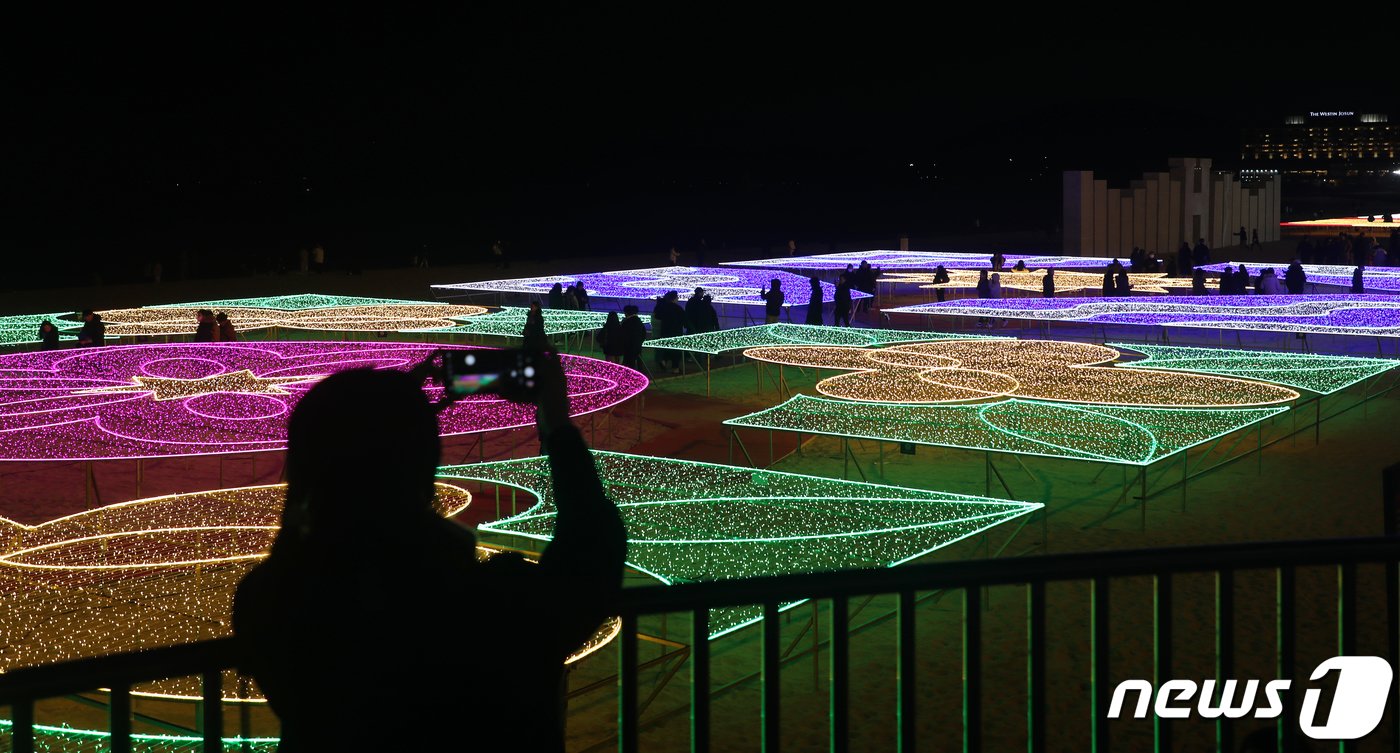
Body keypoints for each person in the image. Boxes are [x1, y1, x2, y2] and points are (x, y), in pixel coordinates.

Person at [233, 359, 625, 753]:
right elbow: (591, 550)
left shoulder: (270, 602)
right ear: (425, 464)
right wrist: (555, 418)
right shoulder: (488, 607)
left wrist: (384, 406)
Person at [651, 291, 686, 373]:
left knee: (666, 348)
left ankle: (664, 361)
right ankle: (675, 368)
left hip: (665, 330)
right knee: (676, 351)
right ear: (674, 298)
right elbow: (684, 319)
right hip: (676, 332)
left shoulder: (664, 307)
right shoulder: (678, 308)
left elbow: (657, 316)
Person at [620, 304, 647, 369]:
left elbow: (623, 333)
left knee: (629, 360)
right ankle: (640, 371)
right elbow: (644, 333)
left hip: (629, 345)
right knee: (638, 358)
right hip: (637, 343)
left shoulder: (626, 322)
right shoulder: (638, 321)